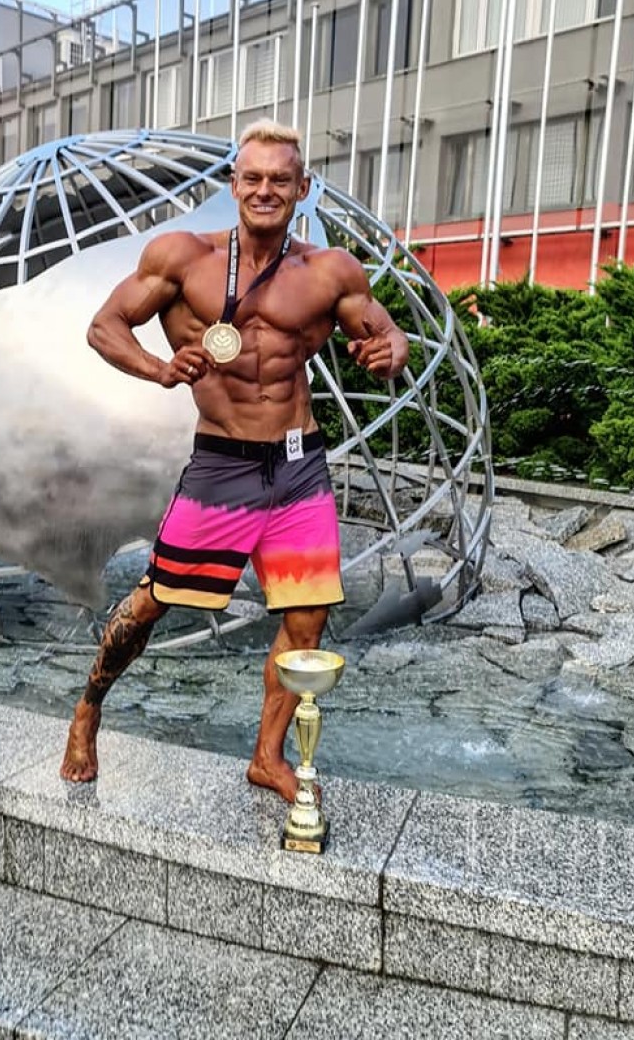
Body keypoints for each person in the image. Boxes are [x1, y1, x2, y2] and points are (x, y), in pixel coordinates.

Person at [60, 119, 409, 801]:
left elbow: (387, 334)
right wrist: (160, 369)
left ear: (303, 188)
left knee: (307, 618)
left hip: (297, 464)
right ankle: (88, 708)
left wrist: (389, 353)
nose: (265, 189)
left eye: (280, 179)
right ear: (234, 184)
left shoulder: (331, 272)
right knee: (155, 600)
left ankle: (267, 757)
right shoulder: (182, 257)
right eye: (253, 177)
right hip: (221, 465)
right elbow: (104, 327)